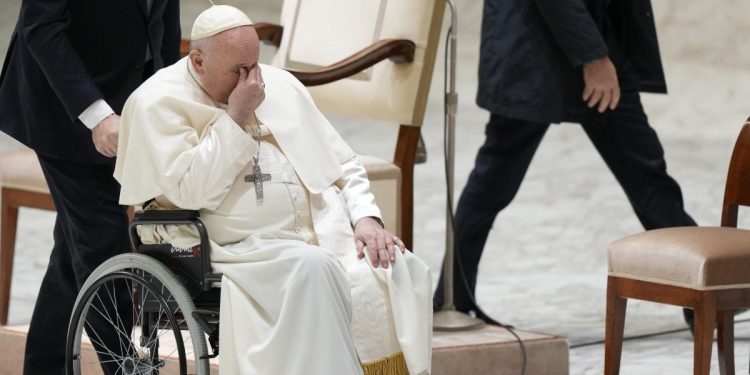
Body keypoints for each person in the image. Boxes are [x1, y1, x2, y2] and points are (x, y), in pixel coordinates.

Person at [114, 5, 433, 375]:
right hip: (237, 249)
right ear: (198, 61)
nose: (254, 82)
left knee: (396, 265)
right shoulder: (157, 102)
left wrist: (366, 219)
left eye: (255, 65)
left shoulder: (281, 84)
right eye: (238, 71)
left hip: (323, 234)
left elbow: (343, 163)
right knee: (314, 267)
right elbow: (190, 193)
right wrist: (234, 117)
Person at [434, 0, 698, 327]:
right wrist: (593, 57)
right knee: (494, 182)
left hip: (586, 41)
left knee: (646, 176)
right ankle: (452, 301)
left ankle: (705, 289)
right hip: (539, 53)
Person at [0, 0, 180, 372]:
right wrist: (96, 114)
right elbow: (42, 28)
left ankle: (44, 365)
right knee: (101, 240)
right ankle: (126, 366)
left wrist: (171, 104)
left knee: (75, 248)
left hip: (129, 95)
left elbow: (163, 19)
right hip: (62, 105)